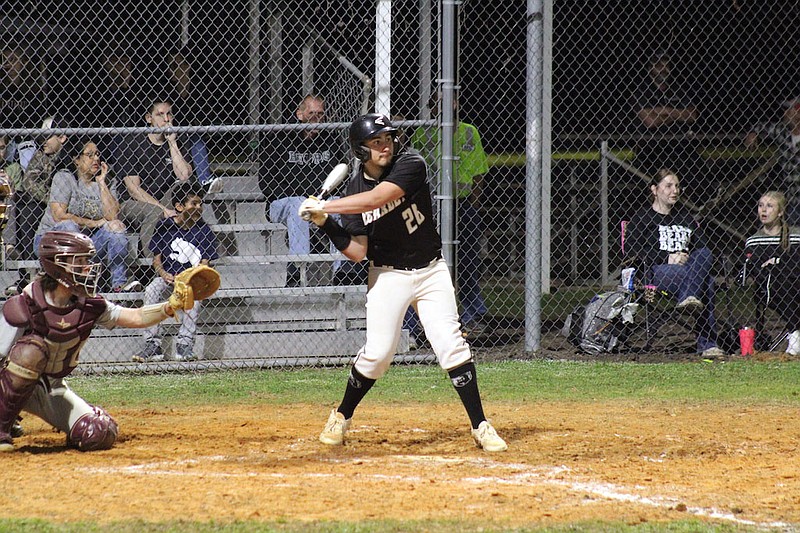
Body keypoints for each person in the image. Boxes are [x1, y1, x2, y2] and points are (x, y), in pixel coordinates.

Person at [298, 113, 507, 452]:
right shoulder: (353, 189)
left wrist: (326, 205)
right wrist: (325, 222)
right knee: (379, 355)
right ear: (361, 151)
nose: (386, 145)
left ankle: (480, 425)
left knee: (450, 344)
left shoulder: (410, 163)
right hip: (388, 275)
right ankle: (341, 414)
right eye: (376, 141)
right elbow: (357, 252)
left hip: (430, 271)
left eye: (388, 138)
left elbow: (377, 199)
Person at [0, 230, 186, 452]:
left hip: (50, 387)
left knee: (97, 434)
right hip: (8, 384)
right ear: (57, 265)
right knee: (30, 352)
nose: (88, 267)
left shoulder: (89, 304)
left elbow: (135, 317)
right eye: (79, 261)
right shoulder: (26, 303)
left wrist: (170, 306)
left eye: (87, 260)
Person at [410, 100, 491, 339]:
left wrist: (473, 205)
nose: (443, 105)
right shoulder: (423, 132)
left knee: (468, 259)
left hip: (462, 203)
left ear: (456, 102)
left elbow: (479, 173)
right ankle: (423, 317)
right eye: (436, 102)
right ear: (432, 107)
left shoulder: (468, 131)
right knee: (427, 261)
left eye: (449, 99)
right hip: (433, 205)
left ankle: (471, 314)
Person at [624, 168, 724, 359]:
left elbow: (701, 250)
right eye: (668, 186)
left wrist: (686, 258)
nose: (675, 191)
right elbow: (632, 251)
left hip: (687, 270)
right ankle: (708, 344)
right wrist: (668, 257)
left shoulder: (685, 217)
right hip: (657, 271)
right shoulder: (642, 218)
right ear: (654, 189)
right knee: (708, 283)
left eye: (677, 186)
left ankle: (689, 297)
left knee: (705, 253)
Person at [258, 94, 346, 286]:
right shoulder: (279, 138)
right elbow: (265, 182)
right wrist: (305, 198)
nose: (317, 119)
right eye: (312, 113)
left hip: (321, 202)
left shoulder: (330, 139)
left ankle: (342, 273)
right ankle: (297, 271)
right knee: (299, 204)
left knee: (339, 205)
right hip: (282, 203)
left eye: (321, 114)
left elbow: (340, 177)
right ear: (299, 114)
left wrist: (320, 199)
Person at [34, 139, 141, 293]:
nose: (96, 159)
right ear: (77, 160)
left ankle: (119, 284)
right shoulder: (64, 177)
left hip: (87, 246)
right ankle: (76, 280)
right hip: (51, 243)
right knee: (69, 225)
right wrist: (94, 223)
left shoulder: (108, 180)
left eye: (97, 154)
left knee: (116, 227)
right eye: (89, 155)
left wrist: (102, 183)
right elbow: (59, 216)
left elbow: (112, 216)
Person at [133, 181, 219, 363]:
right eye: (193, 204)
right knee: (151, 290)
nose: (199, 207)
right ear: (179, 207)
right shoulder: (164, 226)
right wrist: (163, 273)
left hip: (190, 280)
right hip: (168, 277)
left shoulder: (204, 231)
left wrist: (191, 277)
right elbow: (156, 258)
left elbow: (205, 262)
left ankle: (184, 345)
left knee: (193, 295)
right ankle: (152, 345)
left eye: (200, 203)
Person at [117, 100, 193, 257]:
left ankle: (187, 257)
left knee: (186, 191)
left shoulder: (178, 141)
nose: (166, 119)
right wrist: (163, 209)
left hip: (163, 199)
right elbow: (133, 189)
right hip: (132, 204)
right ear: (148, 118)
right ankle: (153, 265)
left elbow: (184, 176)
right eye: (160, 114)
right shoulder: (132, 143)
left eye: (169, 114)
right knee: (154, 212)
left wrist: (172, 142)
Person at [632, 53, 701, 201]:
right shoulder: (642, 90)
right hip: (652, 146)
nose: (663, 69)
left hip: (679, 144)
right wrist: (676, 113)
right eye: (658, 66)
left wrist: (661, 111)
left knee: (694, 164)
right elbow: (650, 121)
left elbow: (691, 115)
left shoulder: (677, 90)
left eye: (666, 65)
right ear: (651, 69)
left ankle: (697, 207)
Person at [743, 191, 800, 355]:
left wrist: (779, 263)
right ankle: (795, 332)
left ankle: (795, 332)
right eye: (760, 206)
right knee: (780, 281)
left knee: (788, 277)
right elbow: (754, 269)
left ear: (780, 212)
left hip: (795, 281)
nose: (763, 210)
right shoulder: (754, 241)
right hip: (770, 288)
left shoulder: (796, 236)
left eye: (769, 206)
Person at [165, 48, 221, 194]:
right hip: (174, 132)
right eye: (172, 67)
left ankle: (204, 180)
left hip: (195, 133)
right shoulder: (167, 91)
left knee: (196, 137)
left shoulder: (198, 88)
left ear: (187, 66)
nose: (175, 71)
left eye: (179, 65)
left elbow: (206, 115)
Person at [742, 96, 800, 225]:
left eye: (789, 111)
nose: (784, 114)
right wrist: (753, 132)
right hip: (792, 197)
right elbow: (760, 126)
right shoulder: (782, 131)